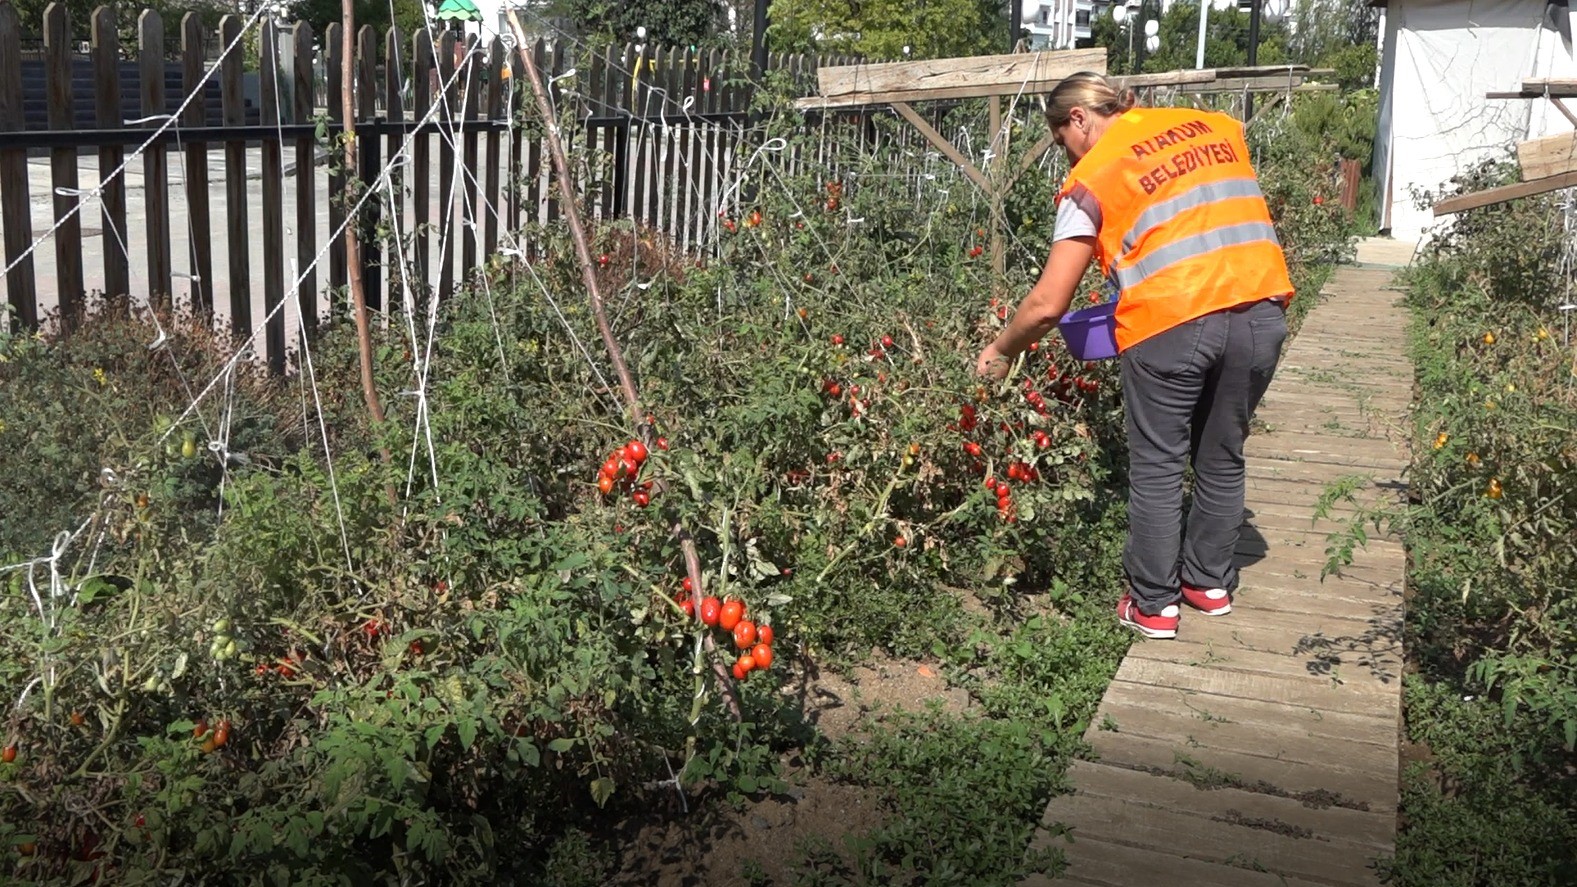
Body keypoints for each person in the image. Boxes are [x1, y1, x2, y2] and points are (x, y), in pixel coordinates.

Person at [975, 72, 1293, 640]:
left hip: (1172, 321)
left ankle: (1153, 605)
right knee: (1222, 456)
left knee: (1159, 465)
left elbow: (1049, 303)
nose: (1064, 153)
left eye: (1059, 140)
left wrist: (1001, 350)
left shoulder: (1092, 176)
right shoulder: (1214, 126)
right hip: (1261, 310)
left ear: (1077, 119)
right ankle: (1208, 584)